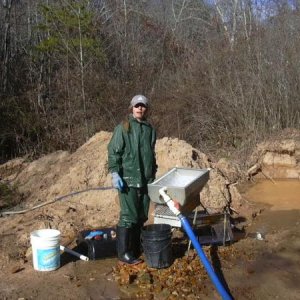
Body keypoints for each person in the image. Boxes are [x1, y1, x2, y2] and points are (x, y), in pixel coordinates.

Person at [107, 95, 157, 265]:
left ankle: (136, 249)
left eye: (143, 106)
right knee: (129, 216)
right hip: (128, 179)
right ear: (131, 108)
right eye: (137, 105)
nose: (140, 108)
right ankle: (124, 253)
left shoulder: (150, 129)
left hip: (146, 180)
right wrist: (115, 173)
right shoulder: (123, 128)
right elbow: (113, 152)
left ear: (146, 109)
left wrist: (153, 174)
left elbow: (151, 154)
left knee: (142, 216)